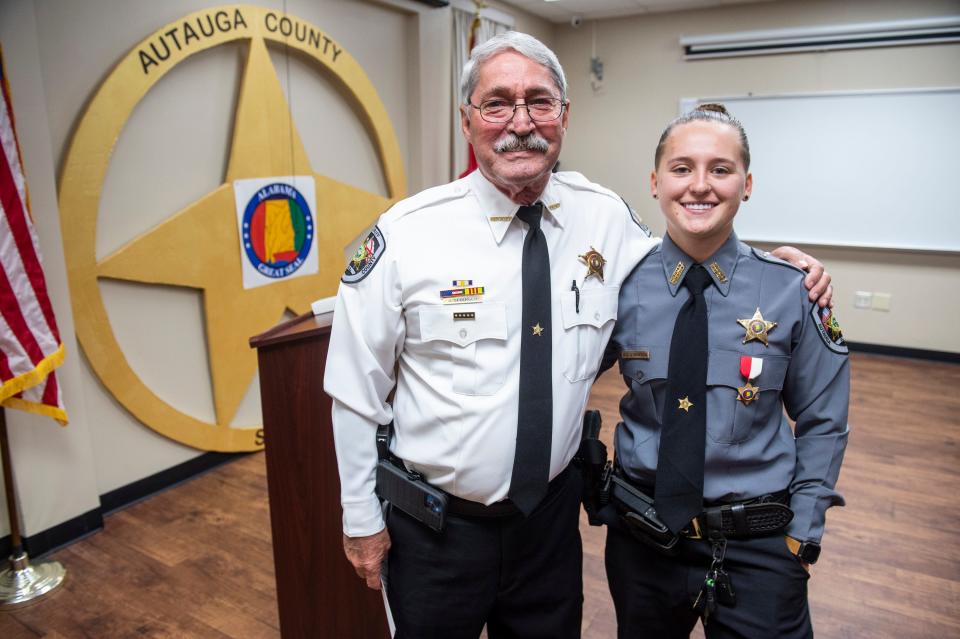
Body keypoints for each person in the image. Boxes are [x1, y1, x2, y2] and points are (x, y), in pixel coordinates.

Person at [324, 32, 831, 639]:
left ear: (564, 116)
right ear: (468, 120)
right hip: (436, 532)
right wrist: (359, 518)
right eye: (497, 104)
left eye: (539, 102)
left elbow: (692, 256)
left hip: (548, 529)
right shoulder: (408, 235)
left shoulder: (605, 217)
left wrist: (778, 268)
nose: (520, 122)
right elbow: (356, 391)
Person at [599, 104, 850, 639]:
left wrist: (801, 536)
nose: (700, 186)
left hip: (757, 546)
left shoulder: (791, 289)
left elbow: (823, 420)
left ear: (747, 183)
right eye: (682, 168)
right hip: (643, 540)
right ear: (655, 181)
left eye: (720, 169)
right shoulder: (617, 286)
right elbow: (561, 382)